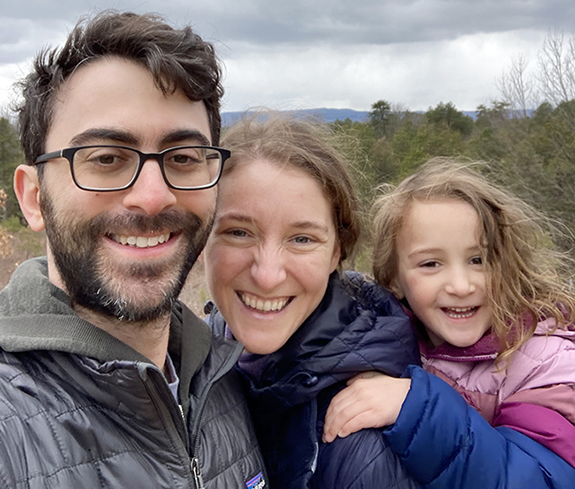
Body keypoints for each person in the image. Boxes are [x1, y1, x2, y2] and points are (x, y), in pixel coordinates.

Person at [0, 10, 267, 489]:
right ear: (34, 198)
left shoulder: (229, 377)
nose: (152, 196)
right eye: (105, 158)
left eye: (183, 158)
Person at [323, 159, 575, 488]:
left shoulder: (544, 360)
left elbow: (540, 478)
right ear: (394, 280)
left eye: (478, 260)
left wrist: (415, 408)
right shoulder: (392, 340)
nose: (461, 285)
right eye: (430, 263)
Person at [203, 114, 421, 488]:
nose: (267, 275)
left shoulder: (359, 442)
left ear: (337, 251)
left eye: (302, 239)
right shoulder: (201, 358)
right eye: (238, 232)